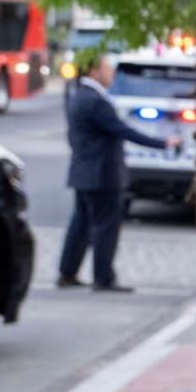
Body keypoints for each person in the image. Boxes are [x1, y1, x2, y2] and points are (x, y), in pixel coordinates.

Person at [57, 49, 175, 293]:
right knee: (105, 228)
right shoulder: (96, 102)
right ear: (94, 71)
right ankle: (103, 278)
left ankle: (67, 272)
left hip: (83, 172)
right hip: (103, 175)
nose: (111, 74)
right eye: (107, 69)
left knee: (80, 225)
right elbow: (123, 130)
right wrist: (163, 143)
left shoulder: (78, 97)